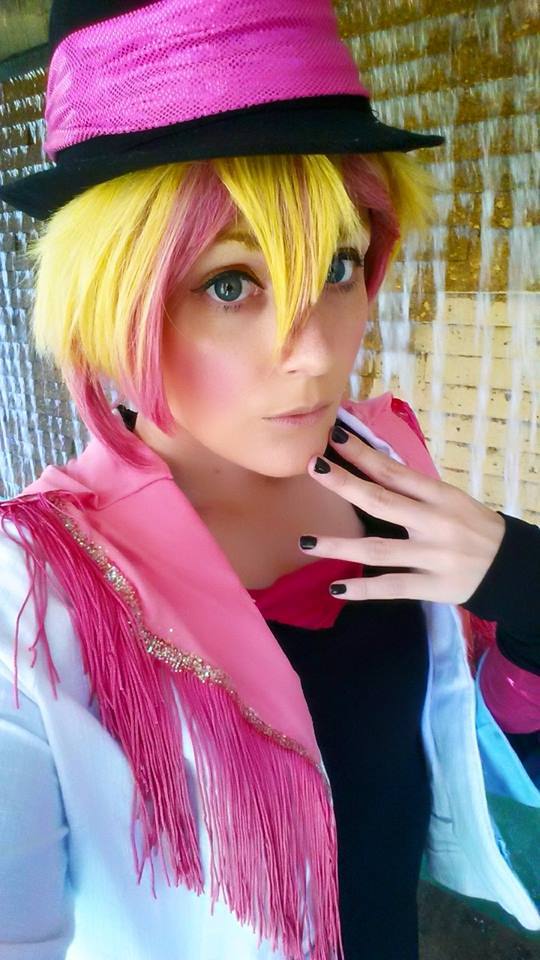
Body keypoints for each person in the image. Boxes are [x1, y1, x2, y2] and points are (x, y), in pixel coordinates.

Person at [0, 1, 538, 958]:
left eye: (337, 267)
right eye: (230, 285)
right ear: (111, 306)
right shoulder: (31, 593)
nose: (318, 353)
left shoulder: (384, 460)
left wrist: (521, 577)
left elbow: (468, 732)